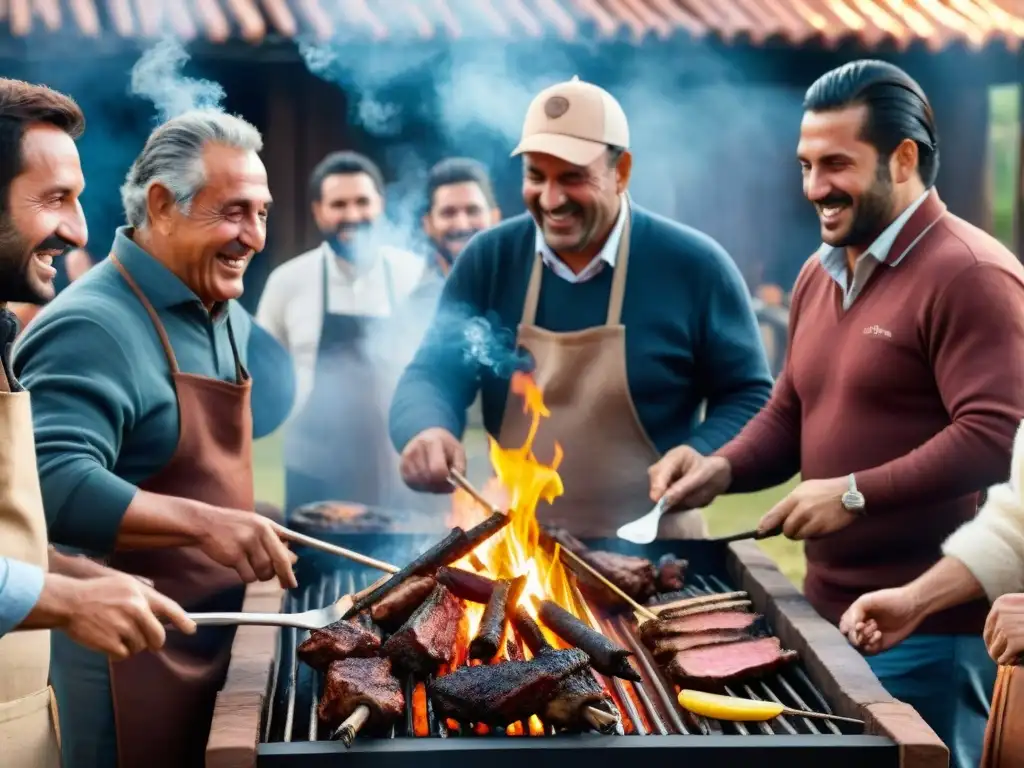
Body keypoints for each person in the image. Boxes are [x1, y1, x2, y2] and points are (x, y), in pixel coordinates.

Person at [646, 60, 1024, 768]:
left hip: (933, 631)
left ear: (903, 158)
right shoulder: (821, 271)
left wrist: (854, 494)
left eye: (836, 164)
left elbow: (996, 437)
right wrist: (719, 466)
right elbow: (793, 408)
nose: (815, 187)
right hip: (825, 616)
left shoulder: (971, 274)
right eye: (805, 164)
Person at [13, 109, 300, 768]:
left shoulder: (219, 306)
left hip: (216, 638)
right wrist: (208, 524)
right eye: (233, 212)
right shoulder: (93, 326)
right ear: (163, 206)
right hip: (126, 667)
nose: (253, 237)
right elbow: (49, 483)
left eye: (261, 213)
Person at [390, 76, 773, 538]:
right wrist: (427, 427)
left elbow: (750, 395)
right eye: (537, 177)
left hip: (657, 551)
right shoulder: (489, 259)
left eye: (573, 177)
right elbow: (433, 372)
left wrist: (708, 450)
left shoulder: (694, 266)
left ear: (622, 171)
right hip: (520, 552)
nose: (552, 200)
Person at [0, 78, 195, 768]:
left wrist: (74, 577)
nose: (81, 231)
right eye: (55, 199)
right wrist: (59, 598)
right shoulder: (88, 323)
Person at [256, 150, 426, 514]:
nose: (352, 215)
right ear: (318, 210)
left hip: (395, 466)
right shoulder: (287, 281)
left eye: (362, 202)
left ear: (380, 204)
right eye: (338, 204)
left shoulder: (414, 275)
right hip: (311, 468)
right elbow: (261, 376)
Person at [421, 157, 501, 280]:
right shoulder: (415, 298)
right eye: (448, 213)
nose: (462, 225)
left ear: (495, 218)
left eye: (473, 211)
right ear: (428, 224)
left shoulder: (527, 284)